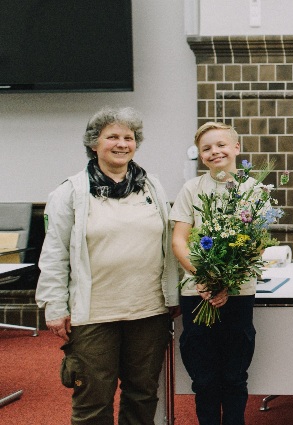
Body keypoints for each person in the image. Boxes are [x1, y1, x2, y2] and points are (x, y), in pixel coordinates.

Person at [36, 107, 179, 425]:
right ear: (94, 144)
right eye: (112, 136)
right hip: (94, 314)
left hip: (148, 310)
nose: (122, 143)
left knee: (142, 396)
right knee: (92, 401)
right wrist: (54, 306)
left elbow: (168, 245)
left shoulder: (152, 187)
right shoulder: (70, 192)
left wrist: (172, 294)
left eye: (129, 137)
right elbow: (54, 253)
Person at [171, 122, 258, 425]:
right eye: (206, 148)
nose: (214, 152)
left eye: (221, 145)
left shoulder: (254, 190)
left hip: (238, 295)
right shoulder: (191, 190)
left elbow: (256, 246)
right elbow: (179, 239)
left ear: (236, 148)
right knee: (205, 379)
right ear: (200, 156)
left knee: (235, 377)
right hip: (197, 294)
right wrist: (204, 277)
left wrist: (227, 283)